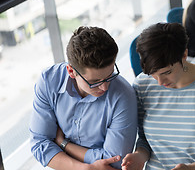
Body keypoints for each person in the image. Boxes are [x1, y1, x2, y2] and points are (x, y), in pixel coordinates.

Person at [121, 23, 195, 170]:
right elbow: (144, 139)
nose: (160, 82)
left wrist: (192, 168)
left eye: (166, 73)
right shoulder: (142, 84)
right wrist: (139, 156)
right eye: (153, 75)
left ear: (184, 55)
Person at [29, 26, 137, 169]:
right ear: (71, 71)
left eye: (110, 75)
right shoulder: (49, 81)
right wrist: (85, 168)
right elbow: (40, 144)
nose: (105, 87)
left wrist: (63, 144)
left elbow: (115, 161)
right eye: (95, 82)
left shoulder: (123, 96)